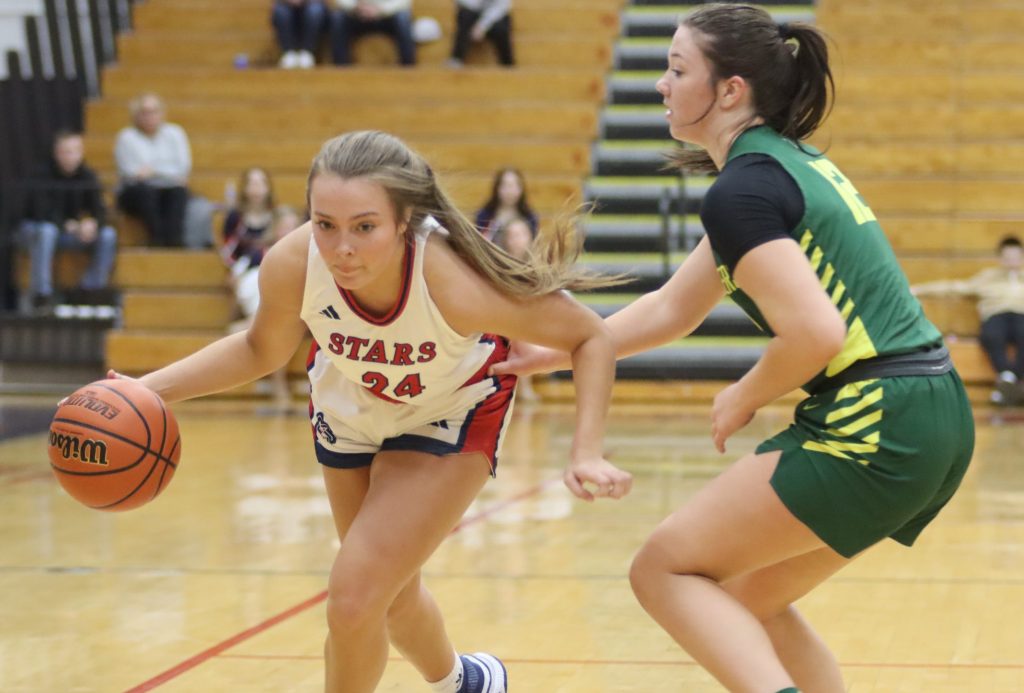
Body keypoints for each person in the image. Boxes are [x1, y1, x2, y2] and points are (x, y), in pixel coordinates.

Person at [493, 5, 975, 692]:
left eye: (676, 69)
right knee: (749, 600)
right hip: (929, 410)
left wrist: (744, 394)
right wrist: (558, 351)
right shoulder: (780, 165)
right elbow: (673, 308)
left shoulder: (743, 190)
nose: (660, 84)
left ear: (730, 90)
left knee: (661, 569)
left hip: (877, 416)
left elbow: (816, 333)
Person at [109, 130, 632, 692]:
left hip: (450, 411)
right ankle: (466, 683)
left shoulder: (452, 278)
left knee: (355, 598)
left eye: (364, 227)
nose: (342, 248)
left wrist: (586, 450)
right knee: (390, 597)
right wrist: (142, 392)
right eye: (325, 224)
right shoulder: (294, 263)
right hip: (348, 406)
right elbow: (261, 349)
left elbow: (589, 335)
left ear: (404, 220)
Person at [913, 235, 1024, 405]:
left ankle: (1007, 380)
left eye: (1016, 257)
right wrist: (918, 290)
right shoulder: (987, 277)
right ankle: (1012, 381)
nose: (1012, 261)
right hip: (996, 316)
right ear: (1000, 258)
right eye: (1007, 257)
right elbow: (955, 287)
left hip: (1021, 316)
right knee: (992, 334)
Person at [18, 130, 117, 313]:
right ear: (57, 153)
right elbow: (39, 211)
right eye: (65, 151)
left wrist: (92, 223)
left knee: (108, 235)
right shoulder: (42, 174)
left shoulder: (87, 176)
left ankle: (89, 289)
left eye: (74, 151)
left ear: (81, 153)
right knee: (47, 231)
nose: (70, 156)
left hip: (69, 232)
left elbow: (99, 209)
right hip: (37, 230)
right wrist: (66, 224)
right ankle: (41, 294)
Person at [114, 93, 192, 247]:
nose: (149, 117)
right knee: (146, 193)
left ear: (162, 113)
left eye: (154, 111)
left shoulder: (175, 133)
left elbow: (183, 168)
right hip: (137, 191)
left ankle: (174, 242)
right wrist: (166, 171)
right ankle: (157, 240)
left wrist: (153, 171)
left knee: (179, 193)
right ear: (136, 115)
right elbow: (130, 172)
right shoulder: (126, 137)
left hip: (169, 188)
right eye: (144, 112)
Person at [329, 0, 416, 66]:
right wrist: (356, 7)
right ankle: (341, 67)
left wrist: (381, 9)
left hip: (387, 16)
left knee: (403, 18)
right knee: (338, 17)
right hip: (357, 15)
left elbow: (404, 2)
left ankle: (408, 67)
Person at [473, 167, 538, 241]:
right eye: (505, 186)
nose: (509, 191)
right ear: (497, 188)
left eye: (513, 186)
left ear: (521, 189)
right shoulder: (484, 216)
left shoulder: (530, 217)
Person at [448, 0, 514, 68]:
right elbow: (465, 4)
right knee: (465, 15)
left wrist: (482, 26)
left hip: (494, 17)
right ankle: (456, 58)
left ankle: (507, 64)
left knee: (501, 28)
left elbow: (501, 8)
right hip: (472, 14)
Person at [272, 0, 327, 69]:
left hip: (312, 3)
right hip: (287, 4)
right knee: (280, 10)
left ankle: (307, 53)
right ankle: (289, 53)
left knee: (316, 10)